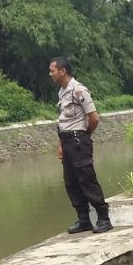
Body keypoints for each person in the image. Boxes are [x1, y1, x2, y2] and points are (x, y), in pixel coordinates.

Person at [49, 56, 112, 234]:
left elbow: (94, 118)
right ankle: (83, 219)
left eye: (52, 70)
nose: (50, 74)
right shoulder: (62, 92)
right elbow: (63, 122)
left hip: (78, 141)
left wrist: (84, 135)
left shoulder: (79, 90)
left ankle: (103, 218)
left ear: (62, 71)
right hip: (67, 141)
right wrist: (61, 144)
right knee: (71, 182)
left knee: (86, 179)